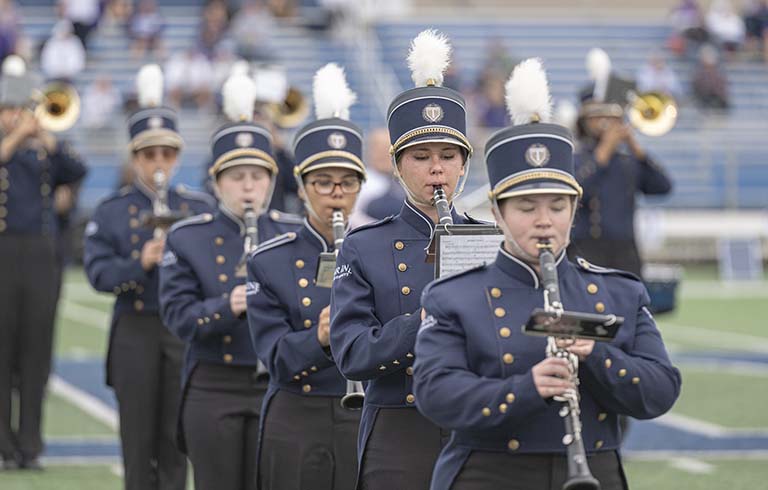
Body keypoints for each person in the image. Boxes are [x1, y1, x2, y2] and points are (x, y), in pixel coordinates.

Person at [413, 58, 682, 490]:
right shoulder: (454, 297)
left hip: (596, 471)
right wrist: (525, 388)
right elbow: (435, 394)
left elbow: (660, 390)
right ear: (498, 212)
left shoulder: (619, 291)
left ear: (574, 210)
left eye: (557, 207)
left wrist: (598, 356)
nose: (544, 221)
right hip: (490, 474)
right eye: (526, 207)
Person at [329, 30, 485, 490]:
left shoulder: (491, 242)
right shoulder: (364, 245)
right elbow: (353, 354)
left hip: (477, 424)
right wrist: (425, 321)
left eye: (448, 155)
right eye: (421, 156)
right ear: (397, 166)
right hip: (398, 427)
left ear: (462, 165)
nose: (436, 168)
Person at [159, 72, 301, 490]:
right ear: (217, 182)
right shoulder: (187, 237)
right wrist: (231, 303)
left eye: (257, 176)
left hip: (278, 385)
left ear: (272, 181)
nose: (248, 187)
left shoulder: (292, 235)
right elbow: (179, 318)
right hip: (213, 384)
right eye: (236, 177)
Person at [83, 64, 214, 490]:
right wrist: (139, 263)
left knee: (177, 443)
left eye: (167, 154)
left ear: (177, 157)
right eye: (148, 154)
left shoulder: (197, 209)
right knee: (137, 446)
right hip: (135, 332)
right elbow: (99, 274)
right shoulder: (112, 210)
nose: (158, 163)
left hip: (182, 335)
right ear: (134, 157)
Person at [246, 62, 363, 490]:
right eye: (323, 183)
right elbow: (273, 357)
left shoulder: (380, 251)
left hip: (364, 418)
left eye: (347, 183)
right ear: (301, 187)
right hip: (297, 415)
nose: (336, 194)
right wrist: (319, 338)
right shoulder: (269, 261)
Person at [0, 55, 87, 470]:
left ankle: (30, 445)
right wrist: (16, 137)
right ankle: (3, 445)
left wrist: (47, 140)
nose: (17, 116)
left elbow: (78, 167)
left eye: (20, 108)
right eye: (9, 109)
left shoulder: (44, 151)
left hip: (41, 256)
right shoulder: (9, 146)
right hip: (2, 254)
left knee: (36, 353)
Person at [571, 50, 673, 278]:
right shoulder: (575, 156)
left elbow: (663, 187)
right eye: (599, 117)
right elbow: (576, 193)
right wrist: (603, 153)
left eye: (612, 117)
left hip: (626, 254)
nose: (607, 123)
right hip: (587, 250)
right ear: (585, 120)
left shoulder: (629, 160)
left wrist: (637, 148)